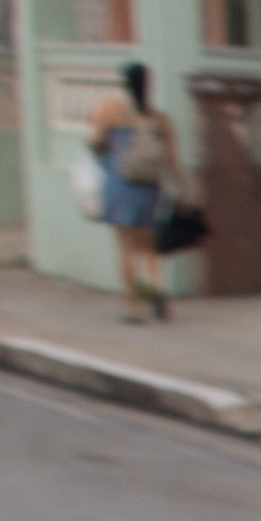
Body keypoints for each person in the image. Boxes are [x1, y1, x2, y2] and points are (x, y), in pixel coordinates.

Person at [91, 63, 181, 325]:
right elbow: (171, 161)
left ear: (125, 86)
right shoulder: (160, 119)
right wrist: (180, 188)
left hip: (120, 185)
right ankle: (157, 288)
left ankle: (134, 307)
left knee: (125, 248)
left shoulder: (111, 112)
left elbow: (96, 143)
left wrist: (106, 149)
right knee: (148, 246)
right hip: (149, 189)